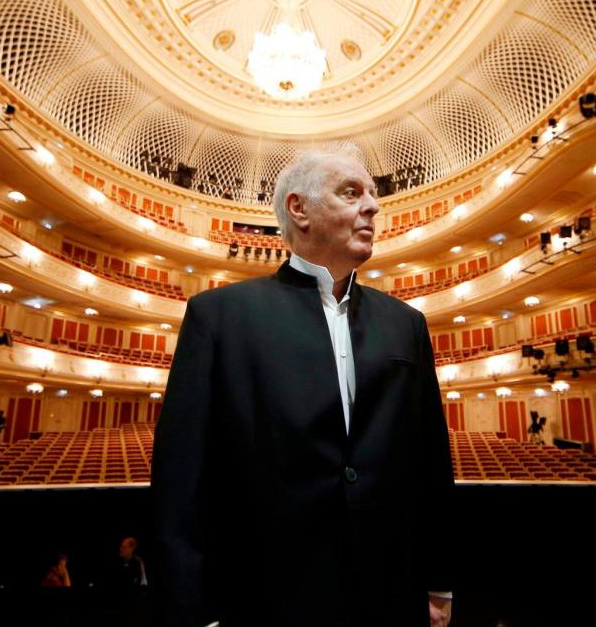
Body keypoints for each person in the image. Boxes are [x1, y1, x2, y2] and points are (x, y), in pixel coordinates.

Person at [153, 149, 454, 627]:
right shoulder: (218, 318)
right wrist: (193, 610)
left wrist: (439, 582)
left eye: (373, 195)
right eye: (351, 192)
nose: (373, 207)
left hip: (389, 595)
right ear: (299, 209)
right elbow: (182, 481)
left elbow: (431, 465)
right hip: (264, 600)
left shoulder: (407, 324)